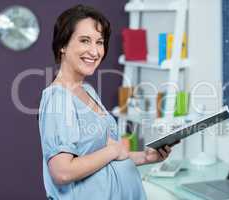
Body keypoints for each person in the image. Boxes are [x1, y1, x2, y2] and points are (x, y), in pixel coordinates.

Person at [38, 4, 176, 200]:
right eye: (85, 41)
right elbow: (62, 172)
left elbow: (105, 155)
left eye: (100, 42)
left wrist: (145, 157)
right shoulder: (57, 98)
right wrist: (113, 150)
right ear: (63, 45)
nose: (95, 51)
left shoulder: (87, 90)